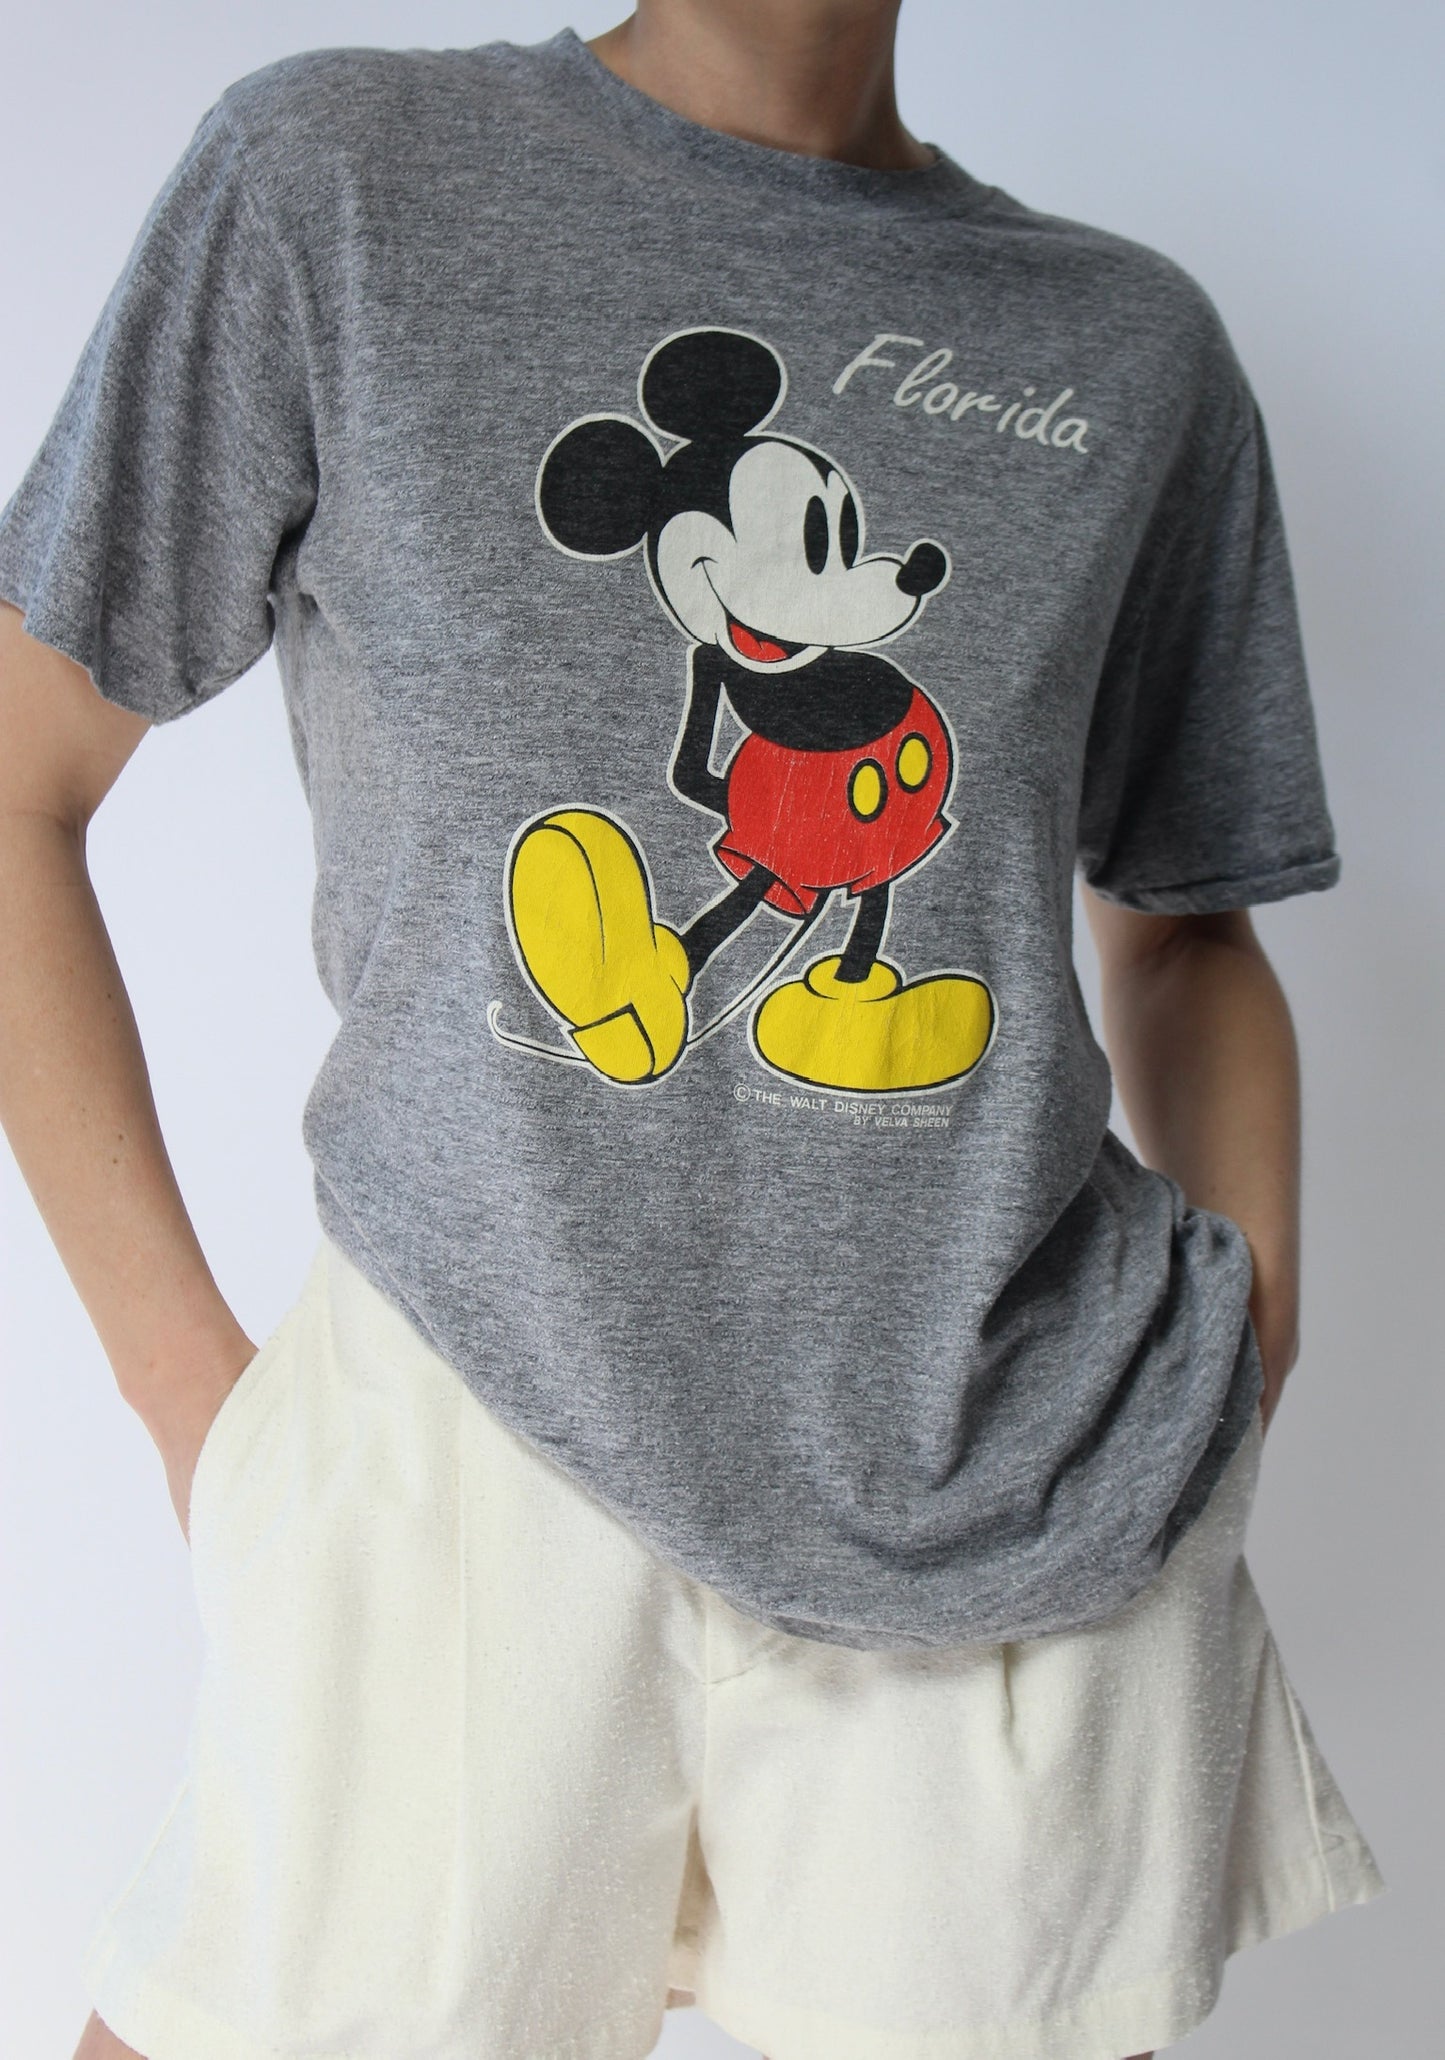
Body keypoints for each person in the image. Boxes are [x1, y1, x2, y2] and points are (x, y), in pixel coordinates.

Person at [0, 4, 1386, 2057]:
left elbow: (1186, 925)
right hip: (470, 1445)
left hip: (1004, 1488)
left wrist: (1251, 1330)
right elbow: (19, 783)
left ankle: (833, 997)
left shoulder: (1128, 349)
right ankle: (645, 961)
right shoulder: (340, 186)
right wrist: (199, 1409)